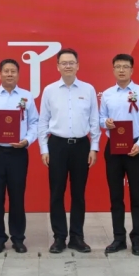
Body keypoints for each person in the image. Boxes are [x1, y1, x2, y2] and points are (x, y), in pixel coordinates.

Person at [38, 48, 100, 254]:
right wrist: (44, 148)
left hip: (81, 145)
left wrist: (94, 147)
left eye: (71, 62)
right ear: (57, 66)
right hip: (57, 145)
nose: (67, 66)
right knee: (57, 192)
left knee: (78, 193)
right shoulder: (49, 90)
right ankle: (59, 237)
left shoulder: (88, 89)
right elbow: (43, 121)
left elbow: (94, 120)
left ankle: (76, 237)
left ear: (78, 65)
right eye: (63, 63)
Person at [0, 59, 39, 254]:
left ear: (18, 75)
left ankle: (18, 239)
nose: (10, 74)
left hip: (18, 152)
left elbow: (35, 123)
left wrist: (27, 141)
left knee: (17, 196)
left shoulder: (27, 96)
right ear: (0, 74)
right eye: (6, 71)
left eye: (13, 71)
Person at [99, 54, 139, 256]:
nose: (121, 70)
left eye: (125, 66)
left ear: (132, 70)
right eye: (118, 66)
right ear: (113, 69)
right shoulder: (107, 94)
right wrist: (106, 123)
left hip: (135, 147)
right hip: (113, 148)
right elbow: (100, 118)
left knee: (137, 195)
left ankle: (137, 239)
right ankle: (118, 238)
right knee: (116, 196)